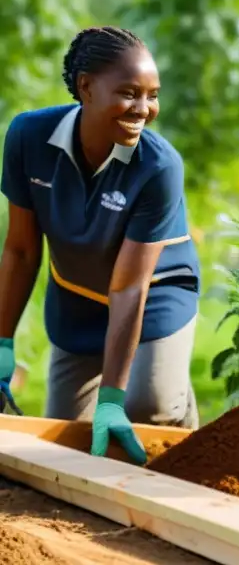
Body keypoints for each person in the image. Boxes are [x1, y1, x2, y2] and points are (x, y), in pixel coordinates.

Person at [0, 27, 201, 464]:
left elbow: (130, 287)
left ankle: (177, 405)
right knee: (69, 444)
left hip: (154, 298)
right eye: (129, 93)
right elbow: (20, 250)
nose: (144, 109)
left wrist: (111, 398)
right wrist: (2, 343)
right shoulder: (29, 138)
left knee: (146, 409)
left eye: (152, 95)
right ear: (86, 87)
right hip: (75, 296)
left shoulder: (158, 166)